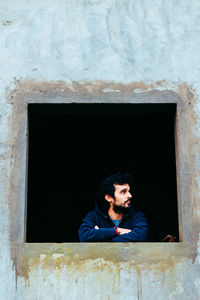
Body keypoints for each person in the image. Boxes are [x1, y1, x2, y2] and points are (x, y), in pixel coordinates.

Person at [78, 172, 148, 242]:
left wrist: (101, 236)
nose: (130, 195)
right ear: (108, 198)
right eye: (123, 192)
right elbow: (84, 236)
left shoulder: (137, 217)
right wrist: (117, 231)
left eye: (129, 191)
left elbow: (140, 236)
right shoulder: (94, 217)